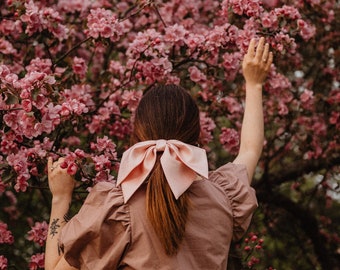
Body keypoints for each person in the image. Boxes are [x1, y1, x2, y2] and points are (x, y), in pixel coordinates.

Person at [45, 37, 273, 270]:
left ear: (137, 136)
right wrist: (254, 84)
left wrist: (60, 198)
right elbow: (250, 149)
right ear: (197, 138)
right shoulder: (224, 196)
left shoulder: (119, 209)